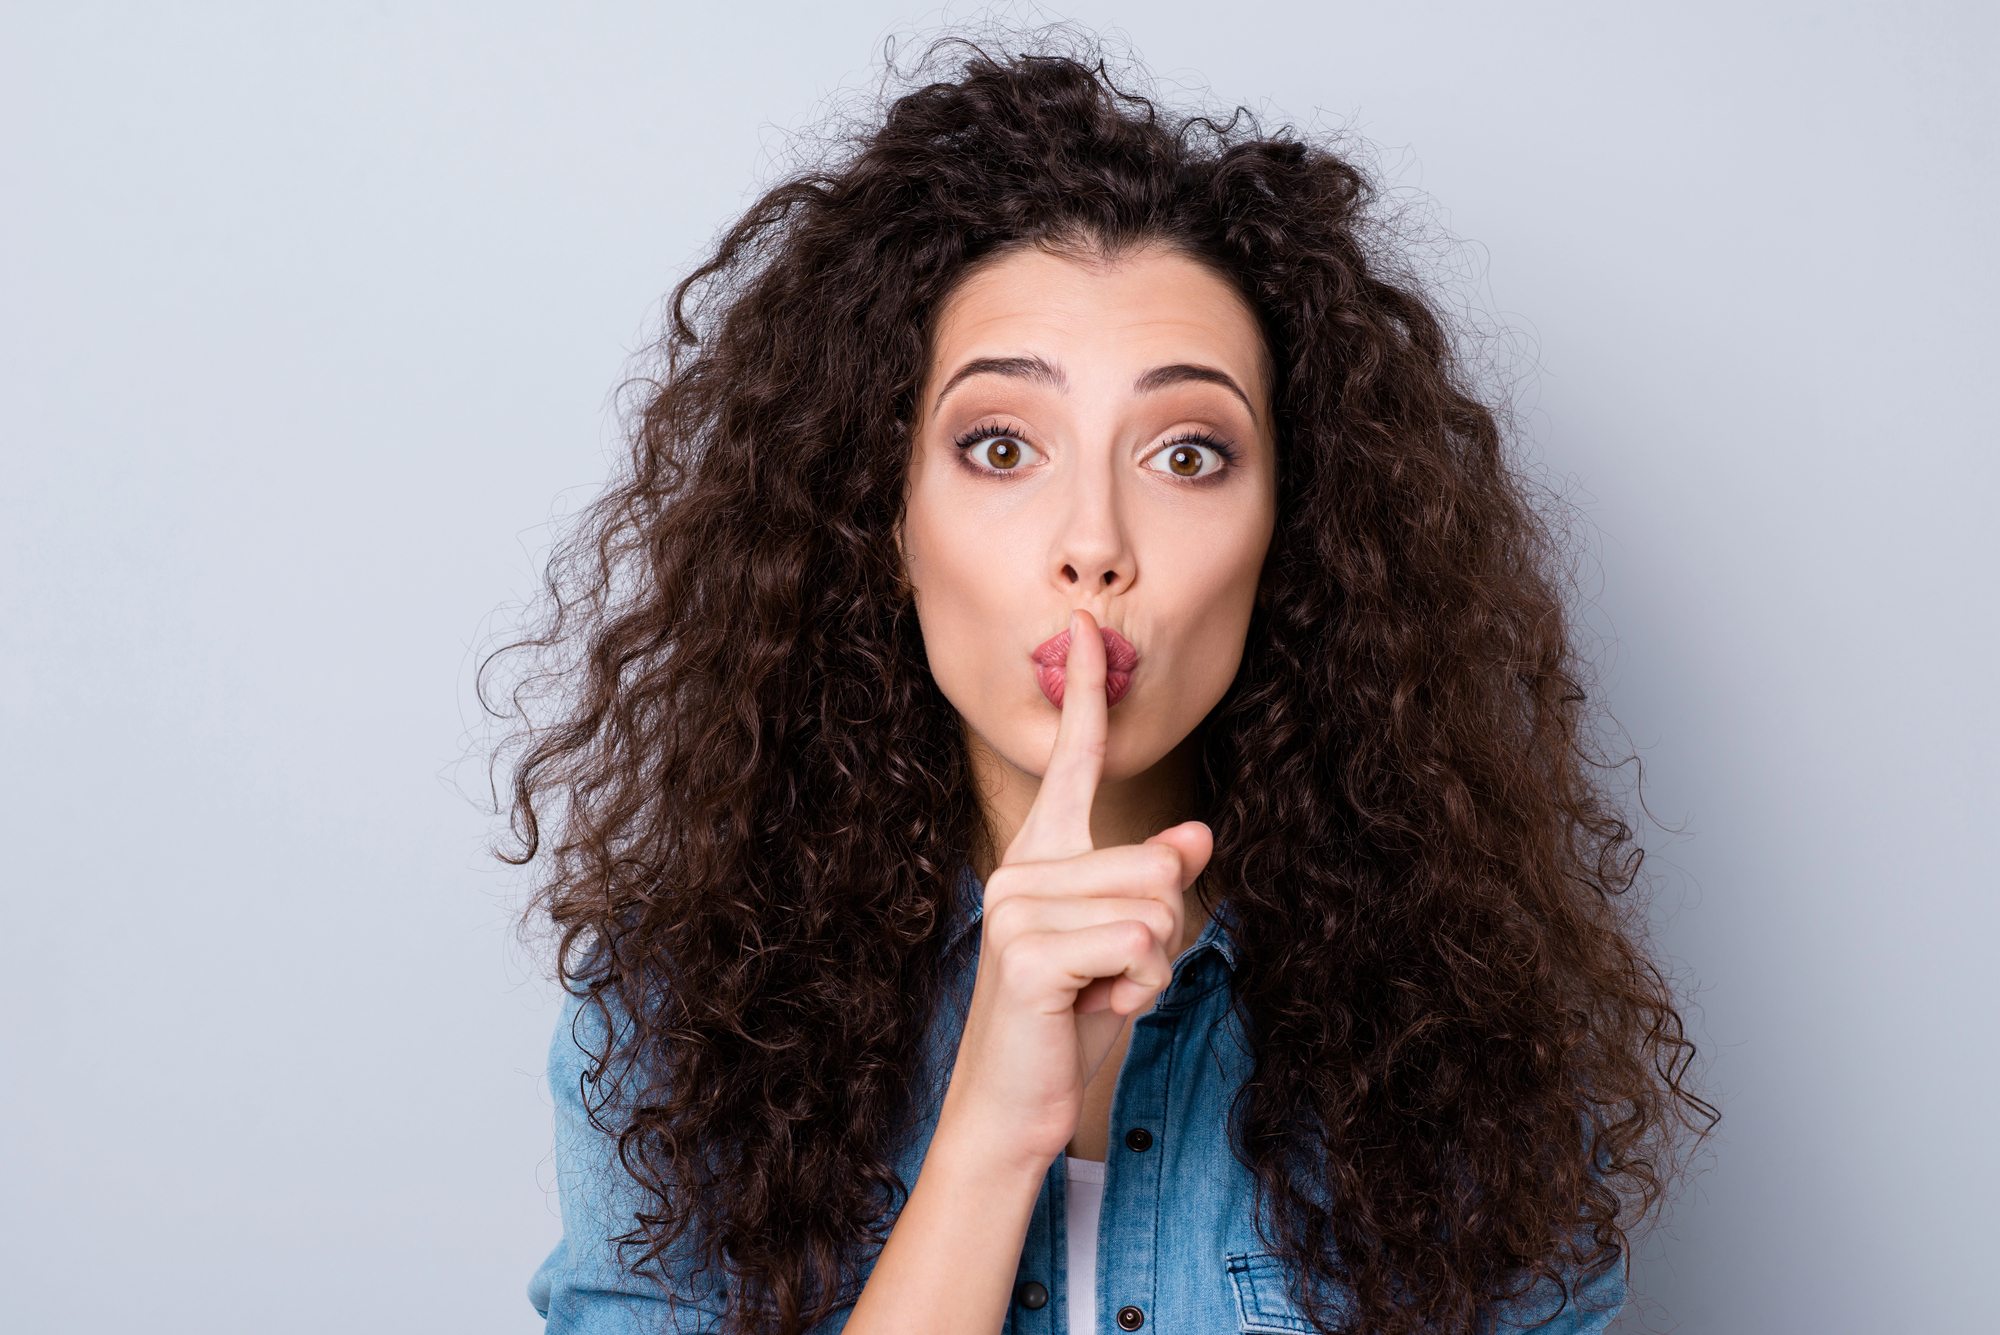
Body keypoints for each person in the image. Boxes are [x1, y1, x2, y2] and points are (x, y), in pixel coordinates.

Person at [498, 38, 1712, 1335]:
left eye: (1188, 454)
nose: (1095, 543)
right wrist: (988, 1134)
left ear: (1290, 536)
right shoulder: (675, 1024)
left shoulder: (1466, 1041)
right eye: (1001, 445)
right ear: (884, 522)